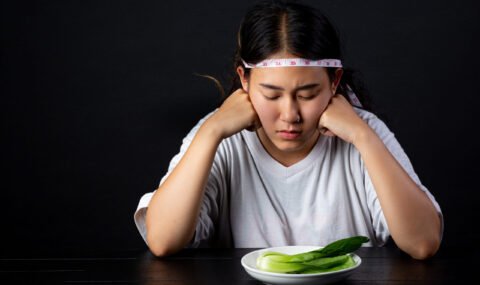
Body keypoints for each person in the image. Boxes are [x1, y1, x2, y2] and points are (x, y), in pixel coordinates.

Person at [134, 0, 443, 260]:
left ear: (334, 82)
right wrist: (211, 131)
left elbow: (423, 242)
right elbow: (162, 240)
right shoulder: (220, 139)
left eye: (307, 94)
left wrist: (362, 136)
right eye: (271, 94)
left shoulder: (366, 132)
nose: (290, 115)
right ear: (244, 80)